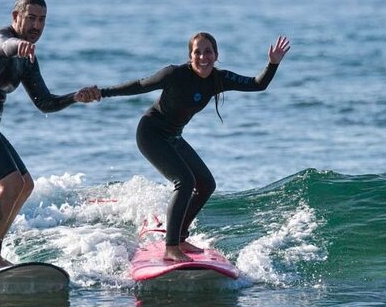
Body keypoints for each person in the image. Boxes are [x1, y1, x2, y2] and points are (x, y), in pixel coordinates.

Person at [97, 33, 290, 261]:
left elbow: (258, 84)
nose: (203, 56)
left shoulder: (219, 79)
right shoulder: (174, 74)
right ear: (190, 56)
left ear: (216, 55)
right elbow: (139, 86)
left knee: (206, 184)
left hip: (173, 136)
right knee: (185, 181)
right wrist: (102, 93)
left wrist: (273, 63)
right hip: (150, 133)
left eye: (208, 51)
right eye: (197, 52)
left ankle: (179, 238)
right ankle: (171, 247)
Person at [0, 0, 99, 271]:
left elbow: (45, 103)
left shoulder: (27, 59)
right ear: (15, 17)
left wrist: (75, 97)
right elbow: (4, 45)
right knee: (11, 184)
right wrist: (19, 46)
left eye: (42, 20)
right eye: (31, 18)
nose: (36, 25)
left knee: (25, 185)